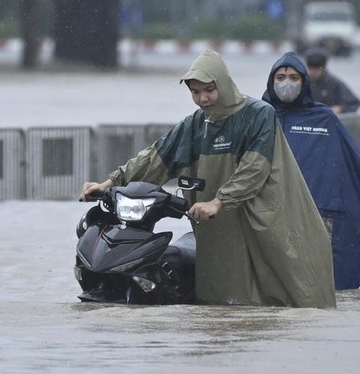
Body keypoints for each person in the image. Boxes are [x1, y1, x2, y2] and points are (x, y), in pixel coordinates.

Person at [80, 50, 335, 309]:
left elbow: (254, 169)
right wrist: (109, 183)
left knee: (288, 294)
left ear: (223, 84)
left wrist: (219, 201)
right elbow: (156, 156)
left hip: (265, 217)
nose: (202, 98)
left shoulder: (259, 114)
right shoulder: (196, 124)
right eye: (195, 92)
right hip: (218, 224)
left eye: (209, 90)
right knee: (223, 304)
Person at [263, 52, 360, 290]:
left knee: (316, 282)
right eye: (280, 77)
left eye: (294, 77)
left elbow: (351, 161)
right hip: (270, 210)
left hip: (317, 211)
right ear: (271, 81)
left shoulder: (323, 118)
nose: (286, 83)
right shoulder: (260, 115)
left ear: (304, 82)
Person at [304, 48, 360, 114]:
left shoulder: (334, 83)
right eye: (311, 69)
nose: (313, 72)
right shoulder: (303, 83)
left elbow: (354, 103)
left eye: (316, 69)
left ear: (323, 68)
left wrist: (340, 109)